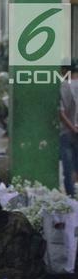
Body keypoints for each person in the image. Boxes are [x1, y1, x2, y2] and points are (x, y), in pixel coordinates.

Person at [60, 63, 78, 196]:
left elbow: (60, 113)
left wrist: (73, 129)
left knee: (68, 168)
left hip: (66, 132)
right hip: (70, 132)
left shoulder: (63, 86)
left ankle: (72, 198)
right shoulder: (66, 86)